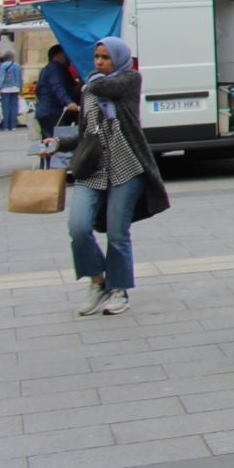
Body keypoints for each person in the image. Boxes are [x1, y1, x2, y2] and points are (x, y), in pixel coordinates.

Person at [54, 37, 169, 317]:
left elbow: (106, 86)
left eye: (105, 57)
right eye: (96, 57)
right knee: (78, 226)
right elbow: (85, 133)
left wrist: (87, 84)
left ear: (118, 58)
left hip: (125, 166)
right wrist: (58, 143)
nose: (99, 62)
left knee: (117, 233)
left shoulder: (128, 79)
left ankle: (119, 289)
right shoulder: (91, 87)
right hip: (92, 169)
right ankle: (97, 282)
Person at [34, 45, 80, 143]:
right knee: (54, 142)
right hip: (52, 111)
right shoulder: (55, 68)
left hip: (45, 111)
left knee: (49, 142)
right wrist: (68, 102)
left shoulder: (50, 69)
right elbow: (57, 86)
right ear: (58, 55)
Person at [0, 41, 21, 131]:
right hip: (15, 88)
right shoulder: (17, 65)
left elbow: (1, 78)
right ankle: (13, 125)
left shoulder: (3, 66)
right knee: (14, 107)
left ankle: (6, 126)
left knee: (5, 107)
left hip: (5, 89)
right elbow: (19, 78)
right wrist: (20, 88)